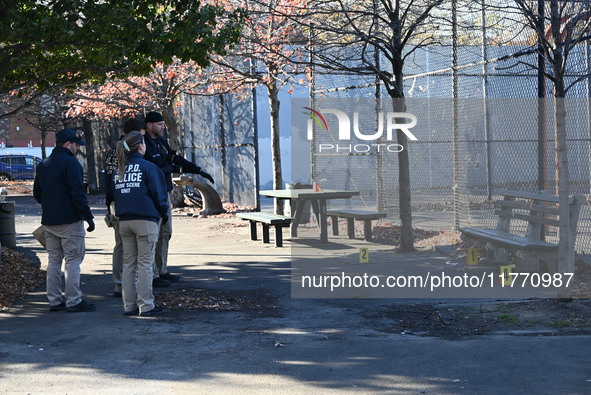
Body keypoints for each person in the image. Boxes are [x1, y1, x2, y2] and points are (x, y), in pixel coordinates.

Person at [143, 111, 214, 283]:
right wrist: (170, 166)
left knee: (166, 232)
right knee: (153, 234)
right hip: (152, 195)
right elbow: (156, 167)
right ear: (149, 125)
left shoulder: (160, 141)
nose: (162, 127)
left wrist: (198, 170)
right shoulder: (144, 144)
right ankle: (152, 274)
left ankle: (161, 270)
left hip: (165, 191)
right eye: (159, 124)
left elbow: (175, 159)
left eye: (162, 124)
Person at [33, 129, 96, 313]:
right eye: (76, 145)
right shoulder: (71, 164)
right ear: (67, 144)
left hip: (49, 220)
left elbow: (37, 193)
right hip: (70, 221)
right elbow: (78, 193)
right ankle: (73, 300)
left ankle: (54, 300)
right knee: (73, 260)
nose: (77, 148)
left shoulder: (43, 164)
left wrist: (50, 205)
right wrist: (88, 216)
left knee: (53, 261)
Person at [107, 131, 169, 316]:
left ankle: (129, 305)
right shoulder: (149, 167)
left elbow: (113, 195)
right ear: (141, 146)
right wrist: (162, 214)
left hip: (124, 221)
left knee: (129, 264)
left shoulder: (119, 170)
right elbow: (159, 195)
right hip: (145, 219)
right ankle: (147, 305)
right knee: (145, 263)